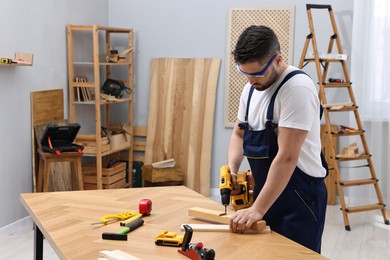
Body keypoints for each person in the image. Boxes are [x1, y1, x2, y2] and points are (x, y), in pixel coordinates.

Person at [227, 25, 328, 253]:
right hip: (267, 192)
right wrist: (232, 169)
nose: (251, 80)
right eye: (245, 73)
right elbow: (238, 133)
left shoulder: (297, 88)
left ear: (278, 59)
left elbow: (287, 157)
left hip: (300, 198)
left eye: (257, 73)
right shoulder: (250, 90)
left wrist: (257, 210)